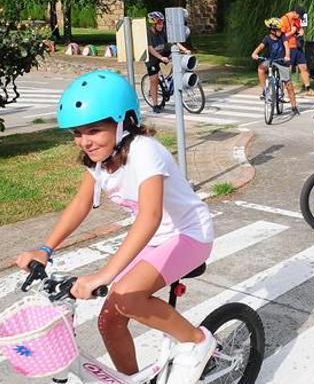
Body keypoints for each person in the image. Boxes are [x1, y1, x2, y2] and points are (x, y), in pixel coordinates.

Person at [15, 70, 216, 382]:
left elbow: (150, 218)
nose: (85, 141)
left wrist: (105, 274)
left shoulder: (144, 150)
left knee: (126, 296)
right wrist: (45, 249)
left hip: (189, 235)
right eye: (77, 133)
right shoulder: (98, 161)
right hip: (154, 241)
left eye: (94, 130)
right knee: (109, 321)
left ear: (124, 122)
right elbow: (80, 205)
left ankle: (197, 342)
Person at [251, 17, 299, 115]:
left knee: (289, 85)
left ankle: (294, 106)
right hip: (270, 60)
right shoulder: (267, 38)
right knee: (260, 68)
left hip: (282, 61)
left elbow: (287, 47)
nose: (280, 31)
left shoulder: (283, 37)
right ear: (272, 30)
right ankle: (265, 91)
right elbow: (260, 46)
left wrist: (287, 56)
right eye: (278, 29)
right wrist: (255, 53)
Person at [145, 11, 190, 113]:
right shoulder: (148, 34)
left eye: (162, 23)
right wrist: (161, 58)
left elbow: (173, 41)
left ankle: (169, 81)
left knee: (178, 59)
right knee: (154, 80)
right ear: (153, 24)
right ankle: (155, 105)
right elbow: (150, 49)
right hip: (152, 57)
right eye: (159, 24)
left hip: (162, 52)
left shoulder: (162, 32)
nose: (161, 26)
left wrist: (184, 49)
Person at [280, 6, 314, 95]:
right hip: (289, 48)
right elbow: (280, 37)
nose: (300, 19)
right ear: (296, 13)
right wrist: (292, 32)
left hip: (298, 47)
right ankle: (287, 90)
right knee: (288, 69)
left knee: (303, 67)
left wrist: (300, 32)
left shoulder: (297, 19)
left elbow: (299, 29)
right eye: (300, 16)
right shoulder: (284, 19)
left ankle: (308, 89)